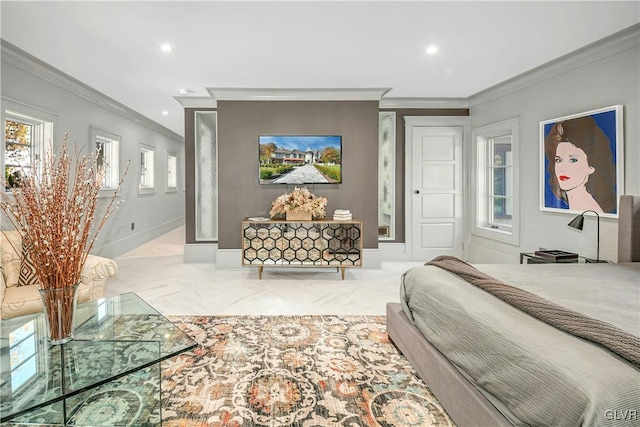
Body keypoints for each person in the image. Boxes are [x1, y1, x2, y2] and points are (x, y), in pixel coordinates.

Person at [544, 115, 616, 213]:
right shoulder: (576, 206)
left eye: (573, 160)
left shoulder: (590, 209)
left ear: (591, 167)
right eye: (558, 160)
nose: (562, 168)